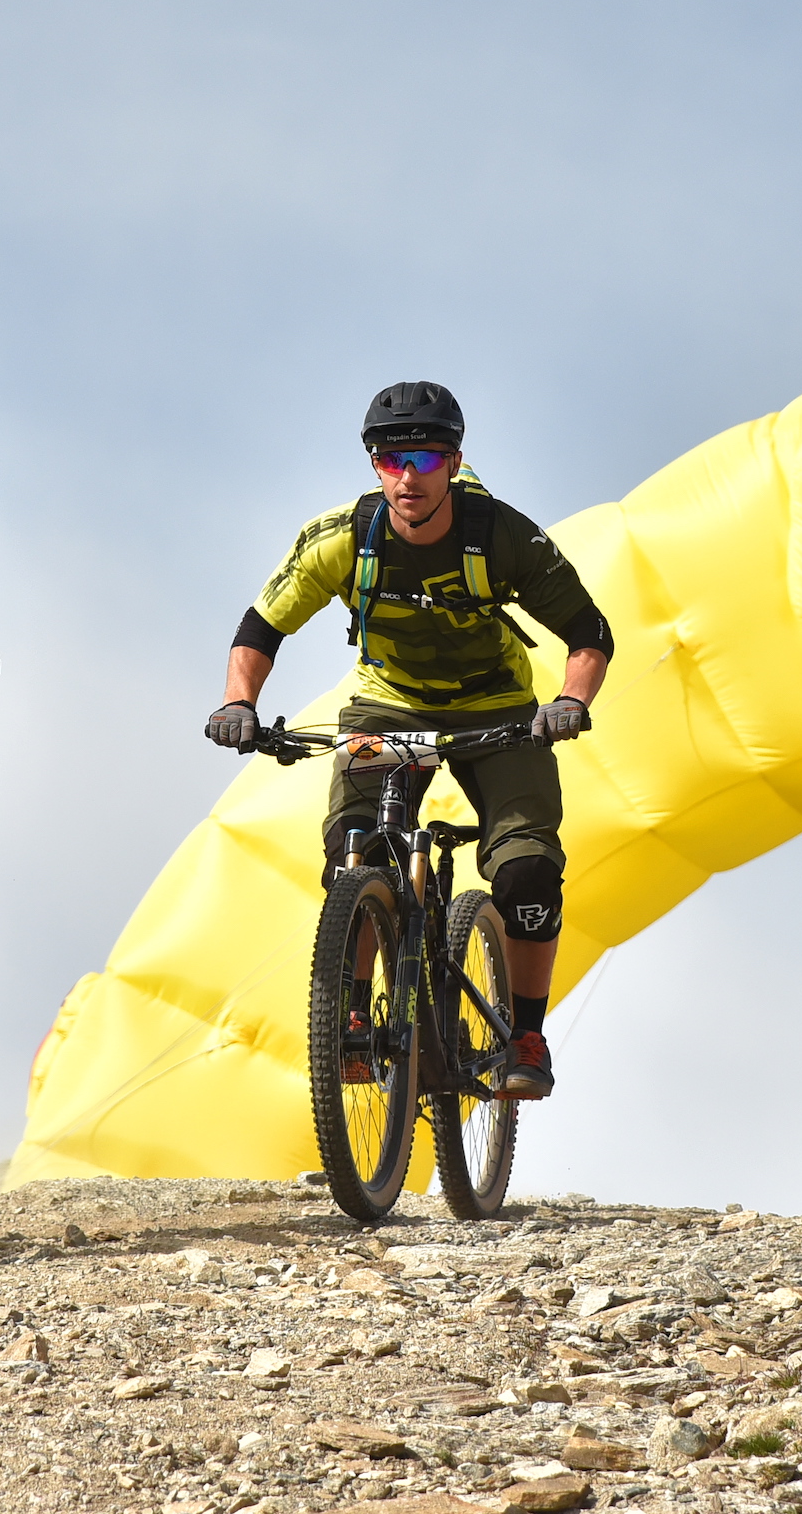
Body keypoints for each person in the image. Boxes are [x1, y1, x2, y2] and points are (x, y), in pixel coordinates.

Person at [207, 381, 612, 1097]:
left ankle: (524, 1032)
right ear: (373, 466)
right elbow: (259, 629)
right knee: (355, 847)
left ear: (455, 461)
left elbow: (590, 633)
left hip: (499, 712)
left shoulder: (501, 536)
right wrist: (239, 703)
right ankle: (357, 1021)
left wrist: (569, 702)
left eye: (426, 457)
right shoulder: (342, 540)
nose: (409, 475)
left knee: (526, 870)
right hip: (388, 709)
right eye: (391, 459)